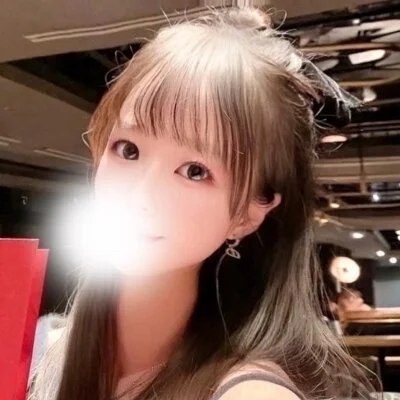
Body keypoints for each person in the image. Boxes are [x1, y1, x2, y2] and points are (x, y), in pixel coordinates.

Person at [30, 7, 372, 400]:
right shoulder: (58, 349)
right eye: (128, 150)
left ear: (247, 214)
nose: (139, 195)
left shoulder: (249, 392)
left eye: (195, 171)